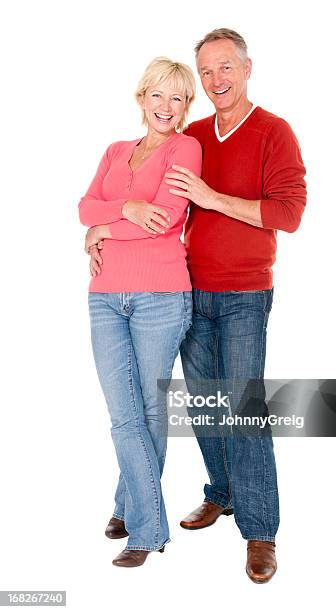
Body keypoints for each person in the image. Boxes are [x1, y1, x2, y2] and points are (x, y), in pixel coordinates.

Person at [164, 29, 307, 583]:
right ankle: (222, 494)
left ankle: (260, 530)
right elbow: (153, 190)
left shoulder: (274, 132)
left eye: (225, 67)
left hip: (245, 292)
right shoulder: (192, 134)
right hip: (188, 291)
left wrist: (212, 198)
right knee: (204, 407)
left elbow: (288, 213)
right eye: (206, 72)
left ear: (248, 69)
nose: (216, 80)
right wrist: (101, 226)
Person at [78, 57, 202, 568]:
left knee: (143, 414)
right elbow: (84, 207)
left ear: (186, 106)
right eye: (158, 95)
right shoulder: (115, 150)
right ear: (141, 97)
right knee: (126, 414)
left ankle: (147, 531)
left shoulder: (185, 148)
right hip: (106, 296)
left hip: (160, 297)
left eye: (177, 98)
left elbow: (166, 220)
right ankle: (128, 505)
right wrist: (123, 211)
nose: (166, 107)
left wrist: (106, 228)